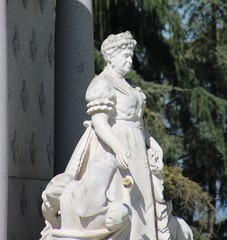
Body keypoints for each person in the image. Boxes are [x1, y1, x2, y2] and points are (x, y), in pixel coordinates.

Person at [41, 31, 172, 240]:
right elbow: (99, 123)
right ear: (111, 57)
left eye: (131, 56)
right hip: (113, 146)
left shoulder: (130, 88)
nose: (130, 61)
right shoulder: (102, 84)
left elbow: (139, 124)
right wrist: (119, 149)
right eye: (125, 56)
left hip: (137, 147)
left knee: (142, 200)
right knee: (121, 196)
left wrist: (154, 144)